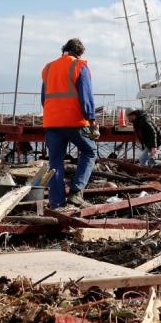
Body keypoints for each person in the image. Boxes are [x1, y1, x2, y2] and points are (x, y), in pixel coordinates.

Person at [41, 38, 98, 209]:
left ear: (64, 50)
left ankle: (56, 203)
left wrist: (52, 115)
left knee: (55, 163)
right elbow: (86, 97)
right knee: (89, 151)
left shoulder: (48, 68)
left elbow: (44, 98)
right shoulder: (79, 66)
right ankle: (76, 191)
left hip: (51, 122)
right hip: (73, 121)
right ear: (79, 53)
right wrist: (92, 121)